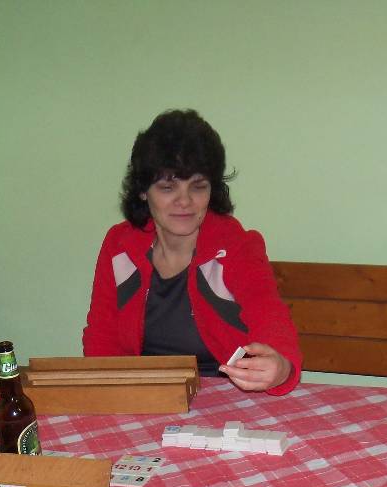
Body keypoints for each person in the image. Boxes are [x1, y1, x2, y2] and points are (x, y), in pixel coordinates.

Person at [82, 109, 301, 395]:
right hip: (144, 394)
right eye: (167, 187)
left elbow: (269, 313)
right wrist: (108, 395)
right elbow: (102, 335)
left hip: (226, 395)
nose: (184, 201)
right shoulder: (119, 245)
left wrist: (281, 366)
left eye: (198, 187)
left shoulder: (237, 246)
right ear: (143, 191)